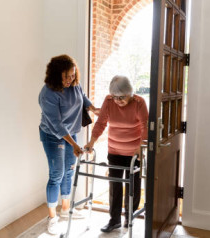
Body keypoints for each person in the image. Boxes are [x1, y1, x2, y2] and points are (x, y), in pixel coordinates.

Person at [38, 54, 99, 235]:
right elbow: (56, 125)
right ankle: (52, 217)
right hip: (52, 135)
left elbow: (83, 98)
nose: (70, 79)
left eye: (72, 75)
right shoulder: (48, 93)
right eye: (66, 76)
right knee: (57, 174)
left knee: (69, 170)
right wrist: (73, 144)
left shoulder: (75, 85)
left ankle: (65, 209)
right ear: (56, 75)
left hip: (70, 133)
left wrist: (93, 108)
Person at [84, 75, 148, 233]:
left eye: (122, 97)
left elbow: (146, 126)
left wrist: (141, 147)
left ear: (130, 93)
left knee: (132, 185)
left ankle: (129, 218)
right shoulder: (109, 101)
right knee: (115, 185)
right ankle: (114, 220)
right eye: (115, 97)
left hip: (134, 153)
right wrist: (91, 142)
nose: (118, 100)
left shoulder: (139, 103)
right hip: (114, 150)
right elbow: (101, 123)